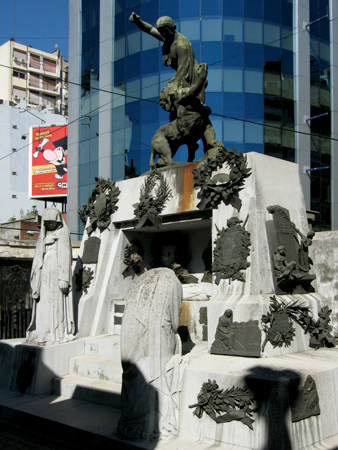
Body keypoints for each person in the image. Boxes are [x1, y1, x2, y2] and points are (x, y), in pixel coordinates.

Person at [129, 13, 207, 104]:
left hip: (192, 76)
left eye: (165, 31)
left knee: (191, 106)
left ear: (172, 28)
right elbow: (150, 29)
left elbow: (183, 66)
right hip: (181, 75)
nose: (163, 34)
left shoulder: (181, 44)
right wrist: (137, 21)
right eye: (161, 31)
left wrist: (176, 84)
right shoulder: (167, 36)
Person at [27, 207, 75, 345]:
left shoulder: (63, 232)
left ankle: (56, 334)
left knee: (55, 302)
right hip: (45, 272)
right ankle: (45, 333)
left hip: (56, 272)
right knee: (45, 302)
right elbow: (38, 255)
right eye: (47, 222)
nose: (49, 224)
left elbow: (66, 255)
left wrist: (63, 278)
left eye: (52, 221)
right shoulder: (43, 235)